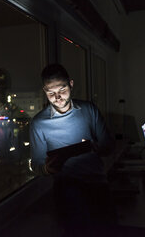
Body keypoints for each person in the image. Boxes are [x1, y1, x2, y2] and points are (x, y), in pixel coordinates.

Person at [29, 63, 116, 236]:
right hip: (67, 189)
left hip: (98, 184)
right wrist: (47, 168)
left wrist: (93, 147)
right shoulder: (39, 123)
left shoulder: (89, 110)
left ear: (71, 84)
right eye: (50, 93)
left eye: (62, 90)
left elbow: (109, 146)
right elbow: (36, 164)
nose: (57, 97)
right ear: (44, 91)